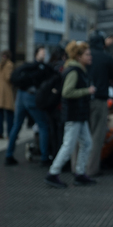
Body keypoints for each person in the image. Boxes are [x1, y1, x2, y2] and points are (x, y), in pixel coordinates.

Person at [44, 41, 96, 188]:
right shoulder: (74, 71)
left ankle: (79, 173)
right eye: (87, 54)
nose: (90, 56)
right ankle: (53, 173)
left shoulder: (77, 69)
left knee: (86, 143)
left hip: (78, 114)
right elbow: (67, 92)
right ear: (78, 56)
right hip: (74, 115)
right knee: (69, 146)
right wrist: (87, 91)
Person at [5, 47, 53, 166]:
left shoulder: (26, 66)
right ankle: (44, 157)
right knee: (43, 126)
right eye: (43, 53)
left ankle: (9, 155)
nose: (44, 55)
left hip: (21, 96)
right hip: (31, 97)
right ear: (37, 54)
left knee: (16, 125)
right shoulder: (40, 68)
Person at [82, 30, 113, 177]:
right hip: (100, 100)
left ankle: (77, 168)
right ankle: (91, 169)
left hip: (83, 99)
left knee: (81, 135)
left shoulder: (84, 57)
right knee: (97, 136)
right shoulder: (106, 57)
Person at [0, 50, 15, 139]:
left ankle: (0, 133)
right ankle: (10, 133)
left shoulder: (1, 64)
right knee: (10, 113)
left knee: (1, 114)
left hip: (0, 92)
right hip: (6, 92)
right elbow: (8, 77)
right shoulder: (9, 65)